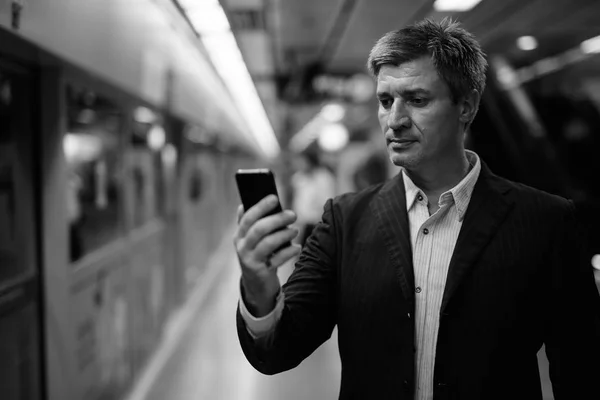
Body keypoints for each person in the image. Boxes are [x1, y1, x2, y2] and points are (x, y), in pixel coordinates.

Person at [233, 18, 600, 400]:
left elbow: (582, 370)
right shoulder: (345, 220)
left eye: (418, 100)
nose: (395, 120)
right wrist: (260, 291)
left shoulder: (545, 221)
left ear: (467, 106)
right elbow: (278, 350)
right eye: (386, 101)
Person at [290, 149, 336, 246]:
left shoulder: (324, 177)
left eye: (301, 161)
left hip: (318, 224)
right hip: (302, 225)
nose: (298, 164)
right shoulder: (298, 178)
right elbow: (298, 201)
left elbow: (327, 202)